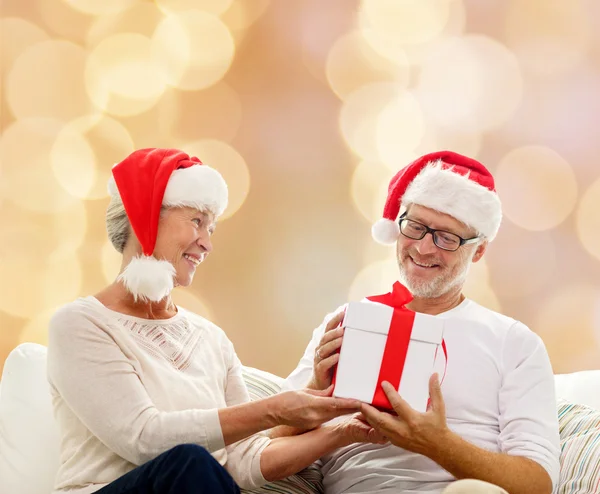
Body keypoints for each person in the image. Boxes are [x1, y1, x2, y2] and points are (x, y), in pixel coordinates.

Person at [46, 148, 386, 494]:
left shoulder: (211, 338)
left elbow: (242, 462)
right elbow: (144, 439)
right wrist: (273, 410)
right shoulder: (80, 324)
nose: (207, 243)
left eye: (211, 229)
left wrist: (345, 431)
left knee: (200, 468)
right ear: (145, 217)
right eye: (196, 221)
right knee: (190, 463)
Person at [282, 151, 561, 494]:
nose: (424, 248)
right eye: (415, 227)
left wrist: (437, 443)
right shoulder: (346, 322)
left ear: (478, 250)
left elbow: (538, 483)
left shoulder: (513, 342)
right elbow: (263, 446)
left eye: (446, 237)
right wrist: (314, 387)